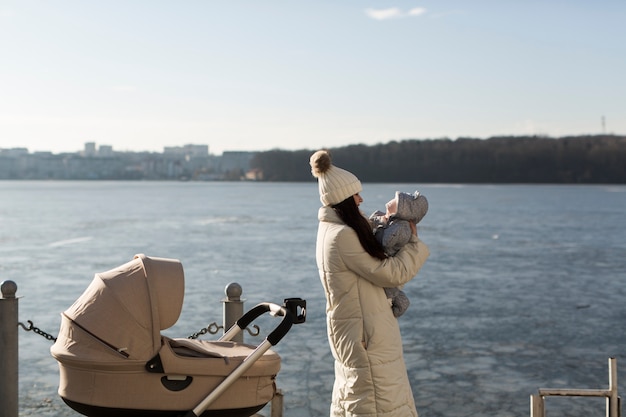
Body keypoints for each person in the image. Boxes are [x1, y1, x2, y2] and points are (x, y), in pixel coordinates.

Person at [310, 149, 430, 417]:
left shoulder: (332, 230)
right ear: (344, 200)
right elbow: (390, 274)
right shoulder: (342, 236)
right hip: (366, 336)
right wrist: (414, 242)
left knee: (359, 398)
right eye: (356, 195)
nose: (361, 198)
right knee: (377, 402)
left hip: (357, 331)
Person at [369, 190, 429, 317]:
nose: (390, 201)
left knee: (388, 289)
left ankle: (401, 302)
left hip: (388, 258)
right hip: (383, 258)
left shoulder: (402, 227)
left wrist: (381, 222)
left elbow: (387, 241)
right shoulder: (393, 222)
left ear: (403, 210)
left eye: (395, 201)